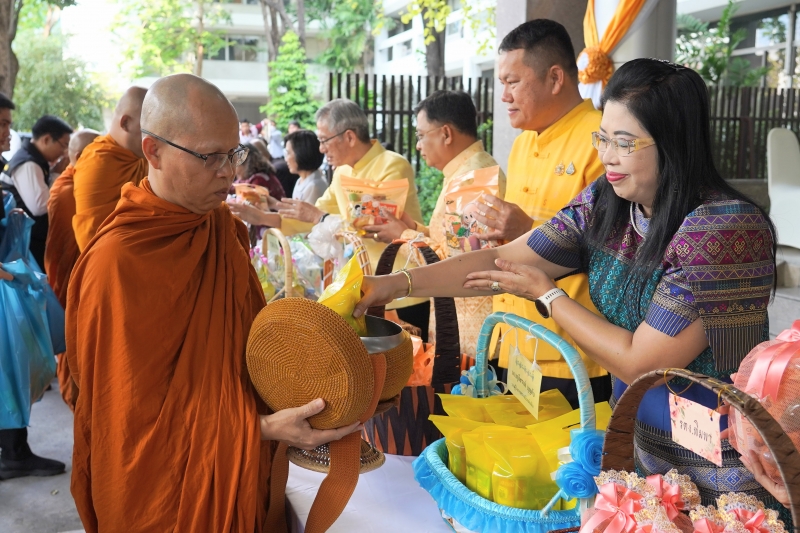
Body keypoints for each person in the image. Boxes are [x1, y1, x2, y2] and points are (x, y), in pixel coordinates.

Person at [355, 58, 786, 521]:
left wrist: (550, 296)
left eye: (625, 143)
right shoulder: (610, 200)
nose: (608, 156)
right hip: (640, 437)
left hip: (719, 459)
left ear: (676, 144)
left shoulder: (721, 228)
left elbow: (643, 361)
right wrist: (392, 285)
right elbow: (505, 258)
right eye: (603, 138)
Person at [66, 73, 359, 532]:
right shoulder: (117, 262)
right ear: (153, 152)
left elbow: (244, 354)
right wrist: (257, 430)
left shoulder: (220, 230)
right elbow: (127, 421)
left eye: (234, 153)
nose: (229, 172)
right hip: (160, 496)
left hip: (232, 469)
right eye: (210, 157)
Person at [482, 20, 610, 407]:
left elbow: (617, 250)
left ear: (555, 78)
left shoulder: (602, 138)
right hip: (513, 337)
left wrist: (527, 227)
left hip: (571, 347)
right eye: (500, 83)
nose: (503, 95)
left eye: (512, 82)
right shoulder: (522, 144)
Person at [364, 89, 505, 357]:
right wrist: (414, 229)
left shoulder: (470, 179)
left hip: (471, 336)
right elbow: (454, 245)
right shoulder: (468, 171)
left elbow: (457, 264)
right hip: (464, 325)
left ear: (446, 133)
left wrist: (403, 235)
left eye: (420, 135)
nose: (418, 145)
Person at [278, 98, 429, 336]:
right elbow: (314, 213)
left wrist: (321, 217)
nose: (321, 149)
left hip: (404, 287)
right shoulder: (342, 172)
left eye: (324, 140)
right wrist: (266, 218)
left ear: (349, 137)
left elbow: (375, 227)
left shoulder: (393, 165)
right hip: (366, 285)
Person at [0, 101, 67, 481]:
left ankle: (13, 449)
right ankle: (13, 452)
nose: (8, 133)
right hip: (5, 283)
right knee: (10, 370)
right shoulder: (26, 163)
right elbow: (42, 206)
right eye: (2, 124)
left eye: (8, 123)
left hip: (10, 277)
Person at [44, 129, 99, 410]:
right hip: (68, 279)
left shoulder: (84, 183)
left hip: (83, 277)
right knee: (71, 343)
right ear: (78, 157)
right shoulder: (68, 191)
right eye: (98, 156)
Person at [72, 86, 148, 252]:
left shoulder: (143, 158)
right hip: (112, 261)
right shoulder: (98, 162)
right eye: (149, 128)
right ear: (126, 123)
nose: (156, 136)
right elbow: (92, 237)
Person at [0, 115, 73, 268]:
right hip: (26, 244)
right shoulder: (28, 163)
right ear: (46, 139)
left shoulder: (36, 160)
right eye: (63, 145)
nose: (64, 152)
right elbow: (39, 206)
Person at [228, 129, 327, 228]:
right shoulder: (302, 180)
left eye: (288, 153)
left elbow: (303, 224)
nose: (286, 158)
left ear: (301, 153)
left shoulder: (314, 186)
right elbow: (296, 213)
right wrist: (275, 204)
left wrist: (262, 216)